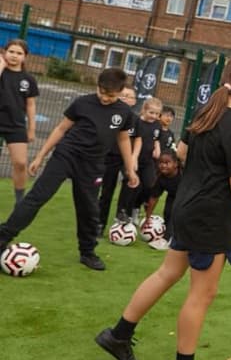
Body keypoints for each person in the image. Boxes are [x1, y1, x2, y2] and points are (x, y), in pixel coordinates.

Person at [95, 56, 231, 360]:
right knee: (201, 294)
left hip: (188, 208)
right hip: (209, 219)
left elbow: (179, 153)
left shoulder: (206, 113)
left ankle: (118, 335)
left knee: (167, 273)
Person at [0, 68, 138, 269]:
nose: (105, 98)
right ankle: (3, 237)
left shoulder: (124, 112)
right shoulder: (82, 103)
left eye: (111, 95)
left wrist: (130, 169)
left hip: (93, 165)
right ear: (97, 86)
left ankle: (88, 252)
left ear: (120, 92)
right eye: (102, 92)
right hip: (66, 155)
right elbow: (61, 128)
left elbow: (123, 139)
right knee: (37, 196)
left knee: (89, 209)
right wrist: (40, 156)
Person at [0, 39, 39, 205]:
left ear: (25, 57)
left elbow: (30, 105)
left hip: (15, 125)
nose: (14, 56)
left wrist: (31, 129)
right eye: (11, 52)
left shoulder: (28, 79)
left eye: (19, 53)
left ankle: (19, 200)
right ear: (4, 53)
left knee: (21, 163)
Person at [97, 86, 138, 235]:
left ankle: (122, 212)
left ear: (134, 102)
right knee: (107, 191)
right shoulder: (110, 115)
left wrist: (133, 158)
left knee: (130, 180)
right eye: (123, 95)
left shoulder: (135, 119)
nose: (125, 98)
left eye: (129, 96)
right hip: (110, 157)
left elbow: (137, 140)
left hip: (126, 158)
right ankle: (99, 224)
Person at [116, 97, 162, 224]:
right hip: (133, 160)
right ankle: (123, 213)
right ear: (143, 110)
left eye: (157, 114)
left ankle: (136, 208)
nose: (154, 116)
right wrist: (132, 159)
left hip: (148, 162)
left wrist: (157, 148)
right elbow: (131, 140)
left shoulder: (157, 125)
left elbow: (156, 138)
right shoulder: (136, 122)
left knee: (149, 185)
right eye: (151, 113)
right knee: (132, 185)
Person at [143, 148, 182, 251]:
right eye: (161, 162)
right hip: (173, 195)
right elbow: (154, 198)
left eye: (167, 162)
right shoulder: (160, 178)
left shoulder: (184, 174)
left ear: (176, 164)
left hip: (189, 196)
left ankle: (166, 240)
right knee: (167, 213)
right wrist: (148, 217)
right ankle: (170, 235)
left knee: (175, 213)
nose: (163, 165)